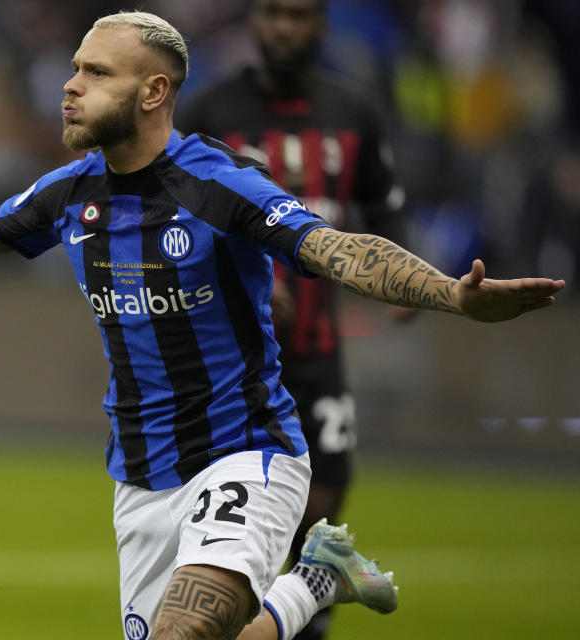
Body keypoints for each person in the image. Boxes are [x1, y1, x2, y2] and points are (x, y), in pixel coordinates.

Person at [0, 11, 564, 640]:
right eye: (73, 68)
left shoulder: (220, 184)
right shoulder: (70, 190)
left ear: (153, 92)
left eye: (95, 73)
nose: (69, 87)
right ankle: (316, 579)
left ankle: (308, 566)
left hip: (244, 454)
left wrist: (451, 297)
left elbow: (334, 248)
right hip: (141, 477)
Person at [176, 2, 412, 637]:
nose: (285, 28)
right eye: (274, 14)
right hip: (229, 365)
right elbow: (175, 218)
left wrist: (408, 281)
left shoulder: (354, 112)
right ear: (253, 22)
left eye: (299, 15)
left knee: (326, 504)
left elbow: (385, 208)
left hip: (315, 352)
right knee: (222, 535)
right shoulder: (211, 113)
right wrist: (243, 272)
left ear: (322, 26)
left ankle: (309, 616)